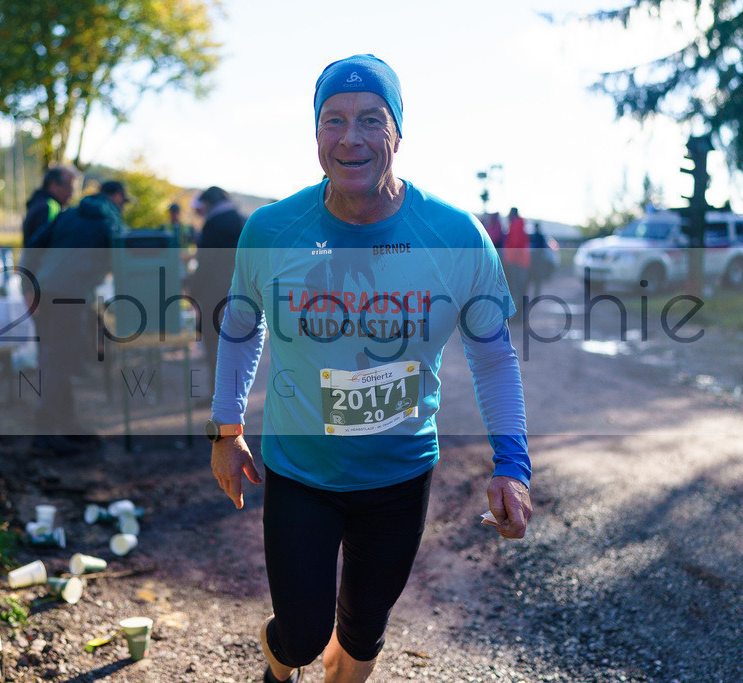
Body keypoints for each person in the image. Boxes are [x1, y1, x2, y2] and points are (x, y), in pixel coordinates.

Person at [207, 54, 532, 683]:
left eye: (370, 120)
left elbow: (493, 355)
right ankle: (280, 672)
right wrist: (226, 433)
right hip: (303, 470)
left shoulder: (454, 236)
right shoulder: (273, 230)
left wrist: (512, 464)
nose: (350, 137)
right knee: (300, 633)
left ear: (398, 134)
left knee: (362, 631)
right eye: (333, 120)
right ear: (316, 135)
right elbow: (241, 330)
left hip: (399, 475)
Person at [21, 179, 131, 454]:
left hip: (45, 290)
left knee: (55, 356)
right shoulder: (111, 221)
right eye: (123, 202)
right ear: (116, 197)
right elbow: (126, 261)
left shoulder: (68, 214)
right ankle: (45, 436)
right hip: (70, 295)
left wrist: (28, 287)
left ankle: (65, 424)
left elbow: (33, 245)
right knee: (59, 360)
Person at [186, 186, 246, 403]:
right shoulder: (243, 219)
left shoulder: (213, 224)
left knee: (214, 344)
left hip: (214, 292)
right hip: (242, 291)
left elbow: (206, 262)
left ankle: (219, 395)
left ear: (208, 203)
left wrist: (193, 290)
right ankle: (237, 394)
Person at [22, 164, 81, 247]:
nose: (72, 194)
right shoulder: (48, 207)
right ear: (53, 185)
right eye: (69, 188)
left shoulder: (38, 203)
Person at [502, 207, 530, 315]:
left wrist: (509, 258)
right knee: (519, 288)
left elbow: (515, 243)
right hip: (520, 261)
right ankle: (520, 314)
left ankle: (519, 314)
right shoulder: (518, 224)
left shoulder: (516, 224)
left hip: (517, 261)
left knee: (517, 288)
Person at [527, 221, 557, 299]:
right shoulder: (537, 237)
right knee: (536, 280)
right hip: (535, 263)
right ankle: (535, 295)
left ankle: (535, 295)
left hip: (536, 263)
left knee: (536, 280)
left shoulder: (536, 237)